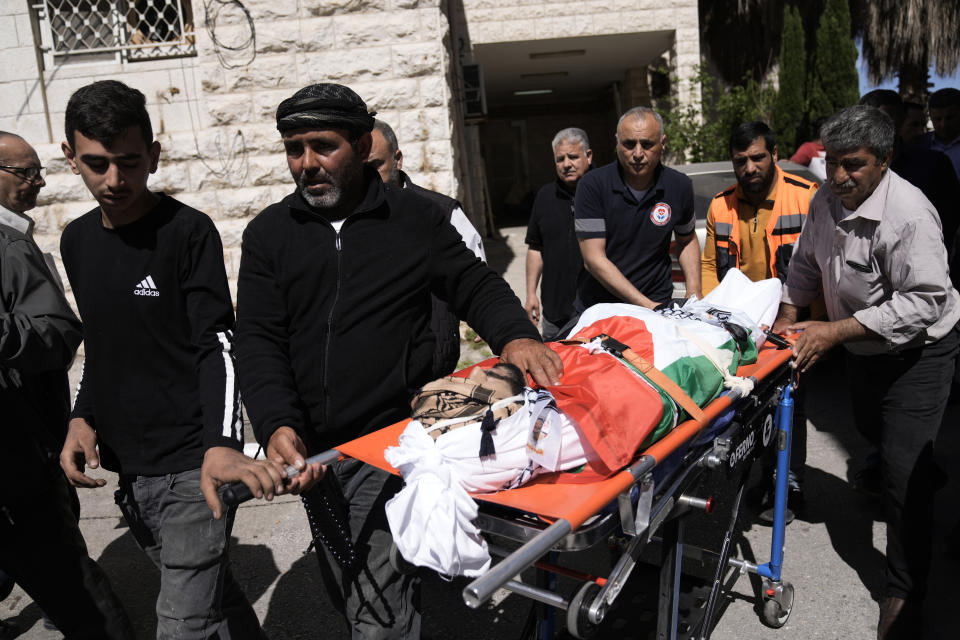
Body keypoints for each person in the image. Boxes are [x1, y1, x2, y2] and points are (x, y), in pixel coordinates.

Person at [235, 82, 562, 640]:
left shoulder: (416, 219)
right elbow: (259, 340)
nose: (307, 163)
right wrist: (276, 424)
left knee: (377, 608)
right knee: (349, 583)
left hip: (389, 444)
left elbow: (474, 283)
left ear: (362, 146)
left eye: (323, 146)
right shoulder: (268, 235)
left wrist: (515, 337)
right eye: (295, 148)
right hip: (313, 451)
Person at [57, 80, 276, 639]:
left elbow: (218, 345)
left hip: (192, 466)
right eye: (96, 164)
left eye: (128, 162)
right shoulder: (76, 241)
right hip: (130, 470)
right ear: (70, 158)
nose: (113, 180)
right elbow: (103, 346)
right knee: (215, 600)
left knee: (182, 624)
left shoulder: (188, 232)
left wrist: (223, 444)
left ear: (153, 156)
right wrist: (84, 415)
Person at [772, 105, 960, 639]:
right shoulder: (825, 198)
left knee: (903, 474)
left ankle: (904, 592)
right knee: (871, 430)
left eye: (852, 165)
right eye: (831, 162)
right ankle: (918, 471)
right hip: (863, 352)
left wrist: (833, 332)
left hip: (921, 353)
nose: (837, 177)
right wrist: (789, 318)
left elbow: (925, 301)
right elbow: (808, 261)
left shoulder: (909, 215)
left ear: (884, 160)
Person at [0, 131, 135, 640]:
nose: (37, 182)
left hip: (21, 449)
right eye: (24, 173)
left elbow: (58, 334)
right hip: (19, 453)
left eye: (37, 170)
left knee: (68, 581)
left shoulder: (12, 243)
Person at [701, 121, 817, 522]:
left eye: (757, 157)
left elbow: (822, 264)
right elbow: (709, 266)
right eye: (740, 161)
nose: (749, 167)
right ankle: (759, 476)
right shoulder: (720, 205)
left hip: (790, 323)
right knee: (750, 405)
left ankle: (789, 482)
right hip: (741, 328)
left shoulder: (806, 198)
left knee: (791, 404)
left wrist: (809, 323)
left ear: (775, 154)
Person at [367, 118, 485, 377]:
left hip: (432, 369)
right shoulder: (344, 222)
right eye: (360, 168)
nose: (369, 178)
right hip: (371, 374)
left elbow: (476, 281)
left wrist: (485, 318)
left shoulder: (442, 212)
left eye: (376, 165)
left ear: (397, 159)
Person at [574, 106, 700, 315]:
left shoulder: (679, 186)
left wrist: (694, 293)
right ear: (617, 142)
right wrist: (647, 306)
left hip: (659, 304)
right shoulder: (592, 185)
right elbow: (593, 259)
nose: (638, 153)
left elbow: (686, 239)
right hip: (601, 310)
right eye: (629, 144)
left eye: (647, 144)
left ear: (663, 144)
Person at [524, 127, 591, 339]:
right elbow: (536, 248)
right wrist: (531, 293)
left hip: (596, 310)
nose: (566, 164)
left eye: (573, 156)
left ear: (588, 156)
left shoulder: (604, 192)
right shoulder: (545, 197)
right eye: (560, 159)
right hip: (555, 314)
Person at [922, 87, 960, 179]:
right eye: (938, 119)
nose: (944, 125)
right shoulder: (920, 144)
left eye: (950, 118)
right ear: (930, 117)